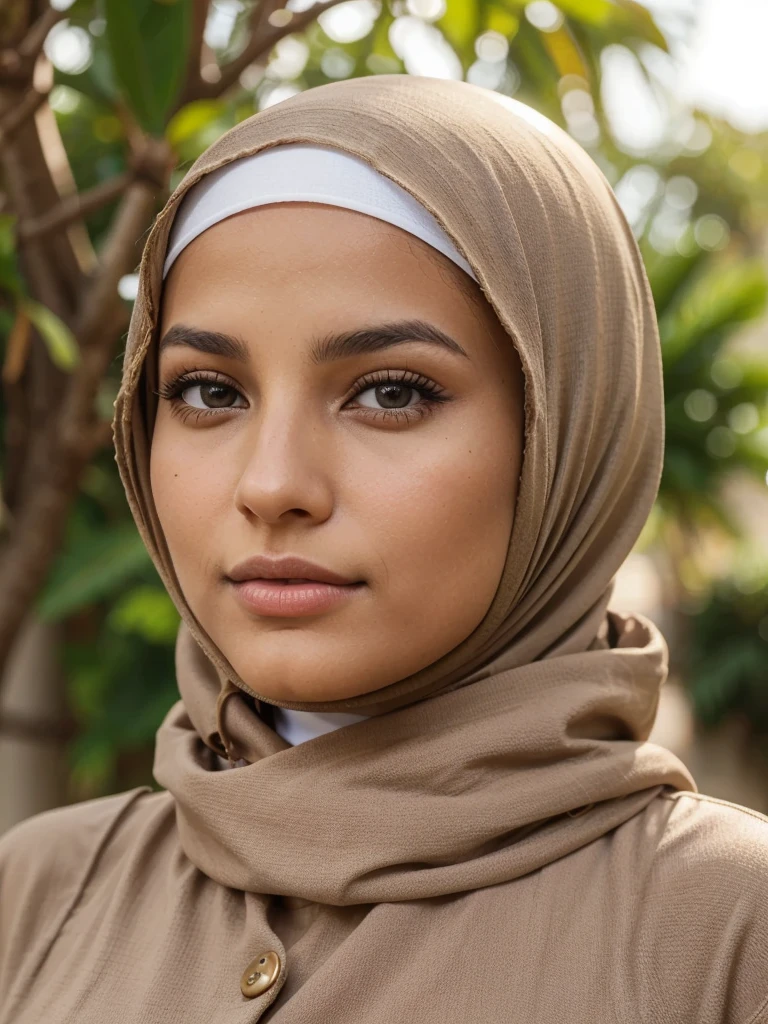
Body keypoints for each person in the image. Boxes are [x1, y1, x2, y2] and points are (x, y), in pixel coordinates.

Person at [1, 74, 767, 1024]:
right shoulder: (39, 894)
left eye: (392, 392)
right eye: (208, 392)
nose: (273, 485)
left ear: (571, 434)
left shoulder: (727, 933)